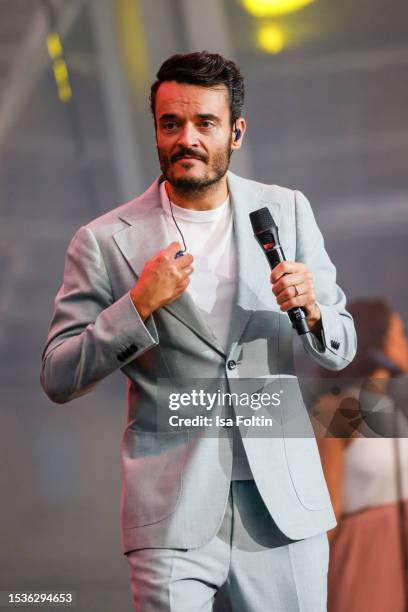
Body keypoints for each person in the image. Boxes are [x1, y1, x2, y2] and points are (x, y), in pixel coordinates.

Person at [41, 51, 356, 611]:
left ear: (235, 131)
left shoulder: (287, 210)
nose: (186, 138)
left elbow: (341, 346)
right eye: (171, 124)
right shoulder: (103, 239)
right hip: (172, 512)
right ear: (156, 130)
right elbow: (59, 374)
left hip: (283, 505)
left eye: (204, 123)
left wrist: (312, 312)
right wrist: (136, 305)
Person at [316, 299, 408, 612]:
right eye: (399, 334)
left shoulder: (392, 407)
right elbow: (328, 507)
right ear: (377, 341)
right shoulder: (341, 408)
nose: (405, 344)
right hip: (366, 555)